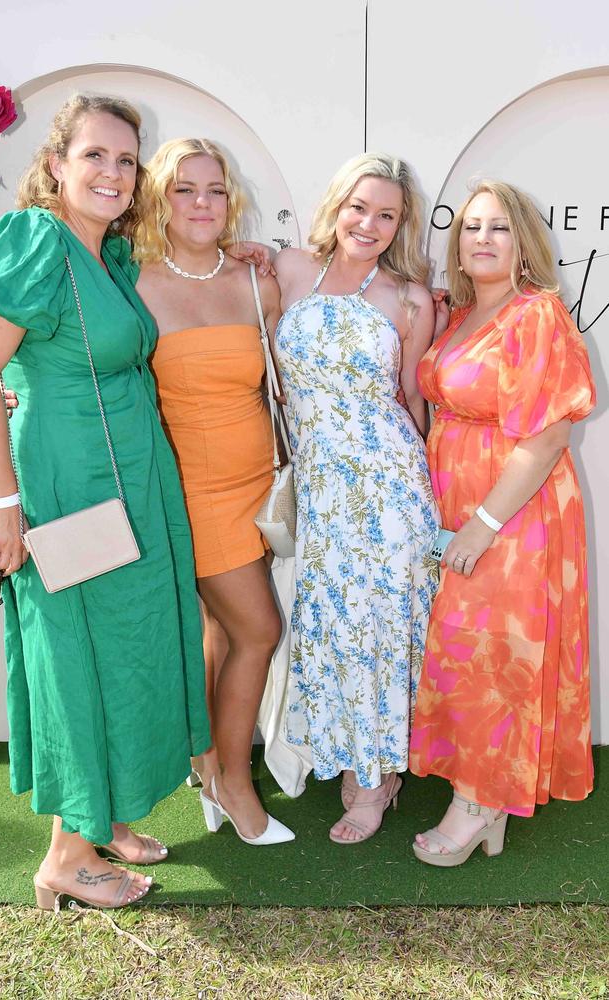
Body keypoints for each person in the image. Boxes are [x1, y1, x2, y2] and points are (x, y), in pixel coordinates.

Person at [0, 95, 210, 909]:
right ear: (57, 162)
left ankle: (104, 815)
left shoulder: (110, 254)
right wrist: (4, 503)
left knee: (134, 647)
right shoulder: (33, 240)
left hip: (135, 480)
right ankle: (67, 854)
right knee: (81, 656)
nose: (112, 173)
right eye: (95, 155)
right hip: (68, 484)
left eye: (126, 161)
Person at [409, 180, 595, 866]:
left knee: (493, 654)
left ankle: (480, 804)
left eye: (498, 228)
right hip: (454, 503)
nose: (481, 239)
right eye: (470, 228)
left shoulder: (537, 313)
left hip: (514, 510)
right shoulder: (457, 314)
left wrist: (482, 525)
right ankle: (472, 787)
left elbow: (547, 438)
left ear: (523, 242)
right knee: (463, 648)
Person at [273, 153, 440, 843]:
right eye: (358, 207)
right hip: (319, 485)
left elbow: (416, 407)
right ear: (335, 203)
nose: (368, 223)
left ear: (401, 225)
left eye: (387, 214)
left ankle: (373, 780)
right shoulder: (285, 270)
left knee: (376, 627)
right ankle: (348, 752)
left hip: (388, 488)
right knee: (332, 626)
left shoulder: (408, 299)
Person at [133, 138, 294, 845]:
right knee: (260, 629)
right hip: (188, 492)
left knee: (223, 631)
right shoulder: (130, 285)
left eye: (215, 190)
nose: (202, 203)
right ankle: (232, 780)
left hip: (257, 486)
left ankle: (204, 764)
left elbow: (291, 371)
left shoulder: (256, 279)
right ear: (158, 200)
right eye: (184, 190)